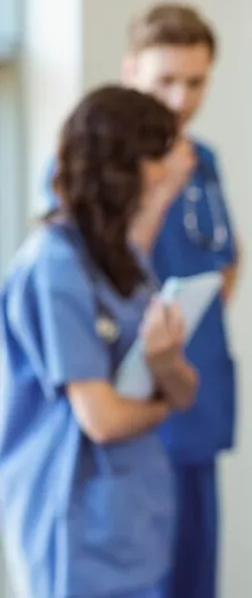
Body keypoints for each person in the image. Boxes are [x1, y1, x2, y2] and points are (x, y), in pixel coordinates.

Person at [39, 2, 241, 598]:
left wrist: (194, 311)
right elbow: (109, 270)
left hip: (188, 397)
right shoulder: (82, 175)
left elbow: (227, 251)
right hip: (120, 414)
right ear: (131, 72)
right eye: (165, 81)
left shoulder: (203, 163)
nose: (180, 100)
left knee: (191, 574)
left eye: (196, 82)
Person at [0, 85, 199, 598]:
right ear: (123, 164)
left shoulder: (125, 259)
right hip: (73, 514)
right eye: (158, 157)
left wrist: (164, 364)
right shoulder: (56, 264)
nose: (166, 172)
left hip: (131, 515)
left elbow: (184, 391)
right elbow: (103, 419)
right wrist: (160, 401)